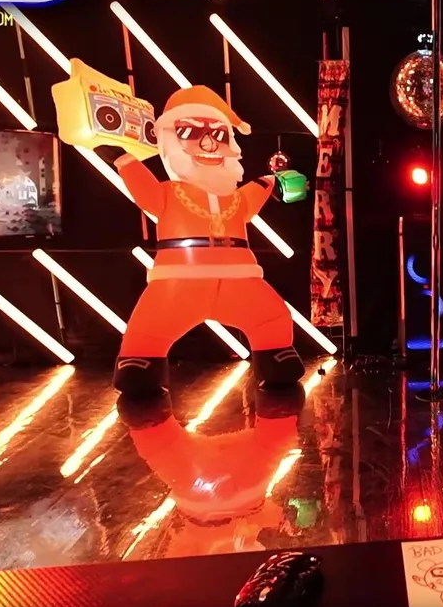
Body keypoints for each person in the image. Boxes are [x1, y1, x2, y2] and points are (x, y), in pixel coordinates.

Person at [94, 86, 304, 394]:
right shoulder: (169, 193)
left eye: (218, 135)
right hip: (177, 284)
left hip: (242, 283)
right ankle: (141, 362)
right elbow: (145, 190)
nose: (208, 143)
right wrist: (124, 160)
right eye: (190, 133)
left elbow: (259, 189)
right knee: (150, 327)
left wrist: (279, 182)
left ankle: (276, 354)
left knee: (272, 317)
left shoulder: (235, 197)